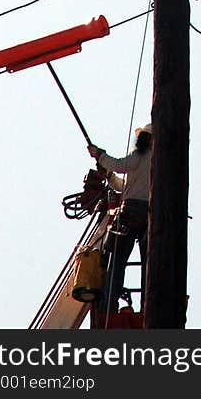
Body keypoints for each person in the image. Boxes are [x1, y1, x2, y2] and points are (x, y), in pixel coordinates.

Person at [87, 123, 151, 316]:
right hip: (148, 215)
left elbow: (119, 166)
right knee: (148, 265)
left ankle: (109, 307)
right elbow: (126, 186)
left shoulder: (139, 155)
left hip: (130, 212)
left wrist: (100, 155)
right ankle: (147, 306)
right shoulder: (157, 162)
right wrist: (109, 175)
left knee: (116, 261)